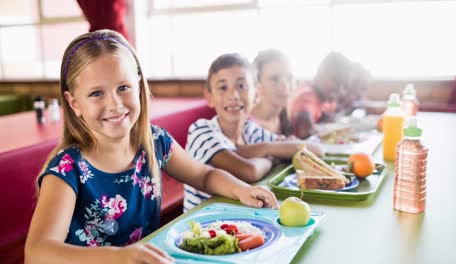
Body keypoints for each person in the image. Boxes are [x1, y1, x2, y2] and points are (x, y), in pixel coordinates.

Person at [25, 30, 278, 264]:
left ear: (138, 85)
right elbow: (37, 251)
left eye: (123, 88)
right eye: (96, 94)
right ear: (73, 102)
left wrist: (241, 190)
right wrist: (117, 258)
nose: (115, 104)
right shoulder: (67, 169)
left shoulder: (154, 141)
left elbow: (204, 175)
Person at [183, 53, 323, 212]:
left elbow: (315, 149)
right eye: (223, 88)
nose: (233, 96)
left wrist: (265, 148)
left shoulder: (250, 131)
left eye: (241, 86)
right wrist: (273, 156)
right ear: (209, 97)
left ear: (257, 94)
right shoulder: (201, 130)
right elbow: (249, 171)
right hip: (202, 225)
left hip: (241, 217)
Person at [288, 52, 371, 139]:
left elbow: (331, 118)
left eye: (345, 86)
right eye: (336, 81)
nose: (340, 91)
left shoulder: (327, 99)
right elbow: (304, 132)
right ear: (321, 73)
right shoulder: (307, 97)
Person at [250, 49, 295, 136]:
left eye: (289, 77)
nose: (285, 86)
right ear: (257, 84)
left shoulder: (286, 118)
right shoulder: (248, 126)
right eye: (274, 79)